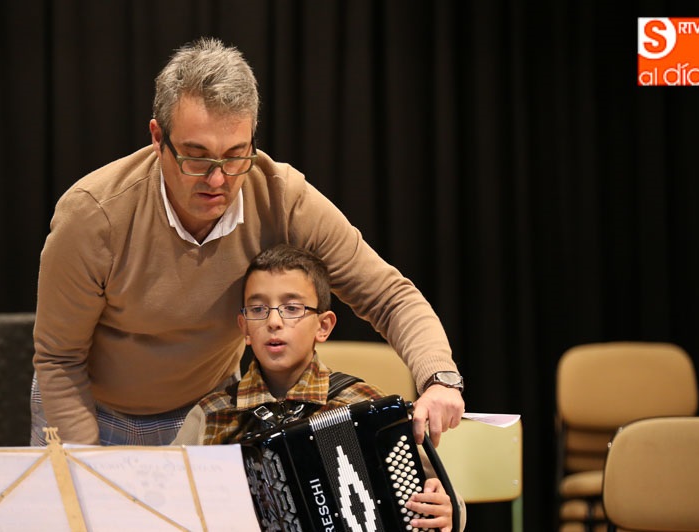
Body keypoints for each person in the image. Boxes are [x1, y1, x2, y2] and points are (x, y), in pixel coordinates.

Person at [32, 36, 464, 447]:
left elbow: (389, 296)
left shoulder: (283, 198)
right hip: (91, 407)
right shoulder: (94, 215)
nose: (217, 179)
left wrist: (439, 378)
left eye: (236, 155)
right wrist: (81, 469)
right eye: (197, 156)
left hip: (208, 411)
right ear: (157, 138)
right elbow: (59, 359)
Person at [171, 244, 464, 531]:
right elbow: (167, 507)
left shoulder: (363, 404)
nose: (274, 321)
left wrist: (447, 511)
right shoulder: (212, 415)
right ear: (244, 327)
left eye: (292, 308)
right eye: (258, 309)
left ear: (323, 326)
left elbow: (444, 498)